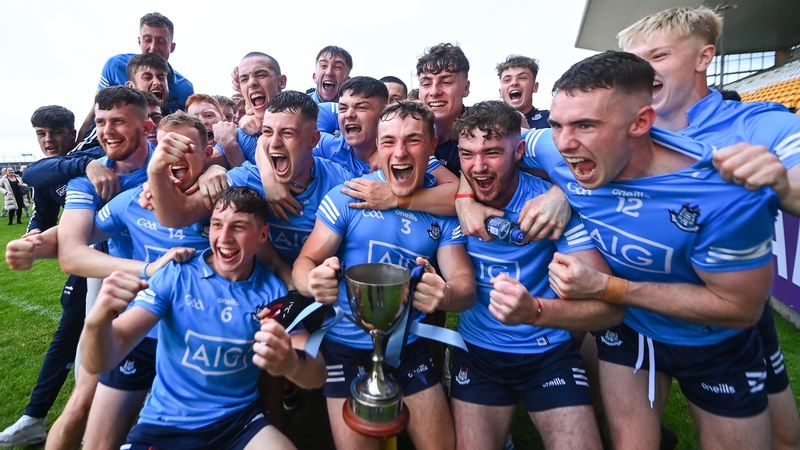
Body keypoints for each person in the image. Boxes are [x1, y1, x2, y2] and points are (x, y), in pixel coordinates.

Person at [522, 50, 778, 449]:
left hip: (714, 343)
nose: (566, 143)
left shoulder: (725, 194)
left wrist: (608, 288)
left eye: (586, 125)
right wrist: (470, 195)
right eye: (557, 125)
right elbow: (499, 145)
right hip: (632, 333)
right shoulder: (557, 151)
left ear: (641, 122)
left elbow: (739, 308)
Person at [619, 7, 800, 449]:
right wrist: (557, 196)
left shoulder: (760, 123)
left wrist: (781, 183)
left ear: (704, 57)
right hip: (640, 315)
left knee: (783, 436)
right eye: (634, 61)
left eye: (658, 55)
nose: (644, 71)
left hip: (731, 315)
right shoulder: (621, 133)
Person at [80, 186, 326, 450]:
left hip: (239, 423)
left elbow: (317, 372)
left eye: (239, 226)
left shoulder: (273, 292)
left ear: (263, 235)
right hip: (167, 424)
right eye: (217, 224)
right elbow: (101, 360)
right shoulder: (178, 274)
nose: (224, 237)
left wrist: (291, 363)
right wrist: (98, 322)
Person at [293, 100, 476, 450]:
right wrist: (312, 281)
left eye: (413, 140)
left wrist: (447, 295)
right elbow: (306, 262)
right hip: (344, 347)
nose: (399, 151)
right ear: (378, 146)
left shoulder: (445, 213)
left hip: (409, 345)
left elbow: (465, 286)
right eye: (389, 141)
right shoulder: (348, 196)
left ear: (433, 146)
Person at [450, 100, 619, 450]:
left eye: (493, 152)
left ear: (520, 151)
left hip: (548, 354)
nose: (478, 166)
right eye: (467, 154)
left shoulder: (550, 206)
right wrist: (462, 198)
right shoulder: (452, 200)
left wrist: (536, 311)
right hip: (477, 353)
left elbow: (608, 310)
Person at [76, 12, 193, 147]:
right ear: (139, 41)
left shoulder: (185, 88)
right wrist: (73, 152)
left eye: (161, 41)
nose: (153, 47)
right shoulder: (116, 65)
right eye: (148, 39)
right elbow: (94, 113)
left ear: (172, 47)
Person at [417, 43, 471, 175]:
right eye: (426, 84)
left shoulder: (485, 126)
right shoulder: (406, 132)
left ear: (465, 88)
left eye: (446, 82)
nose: (434, 92)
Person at [496, 55, 550, 129]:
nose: (514, 83)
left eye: (522, 78)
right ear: (500, 92)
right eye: (507, 80)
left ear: (535, 87)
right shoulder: (489, 125)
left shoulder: (551, 120)